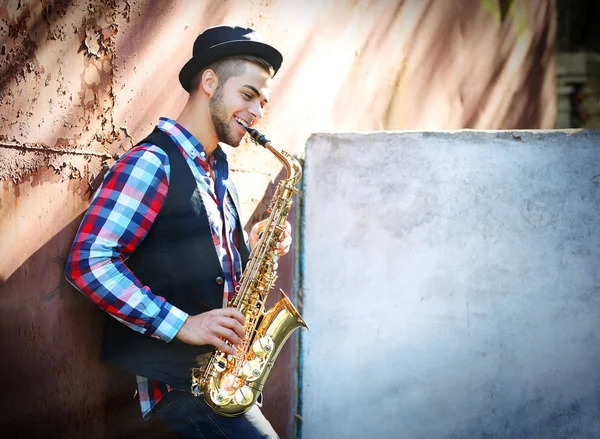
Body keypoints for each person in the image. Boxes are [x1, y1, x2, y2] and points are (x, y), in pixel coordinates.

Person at [65, 25, 291, 438]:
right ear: (209, 82)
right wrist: (182, 324)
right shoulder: (153, 162)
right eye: (247, 94)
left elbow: (197, 256)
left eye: (262, 101)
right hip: (179, 387)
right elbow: (88, 262)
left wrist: (256, 244)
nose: (258, 111)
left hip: (220, 379)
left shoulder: (219, 172)